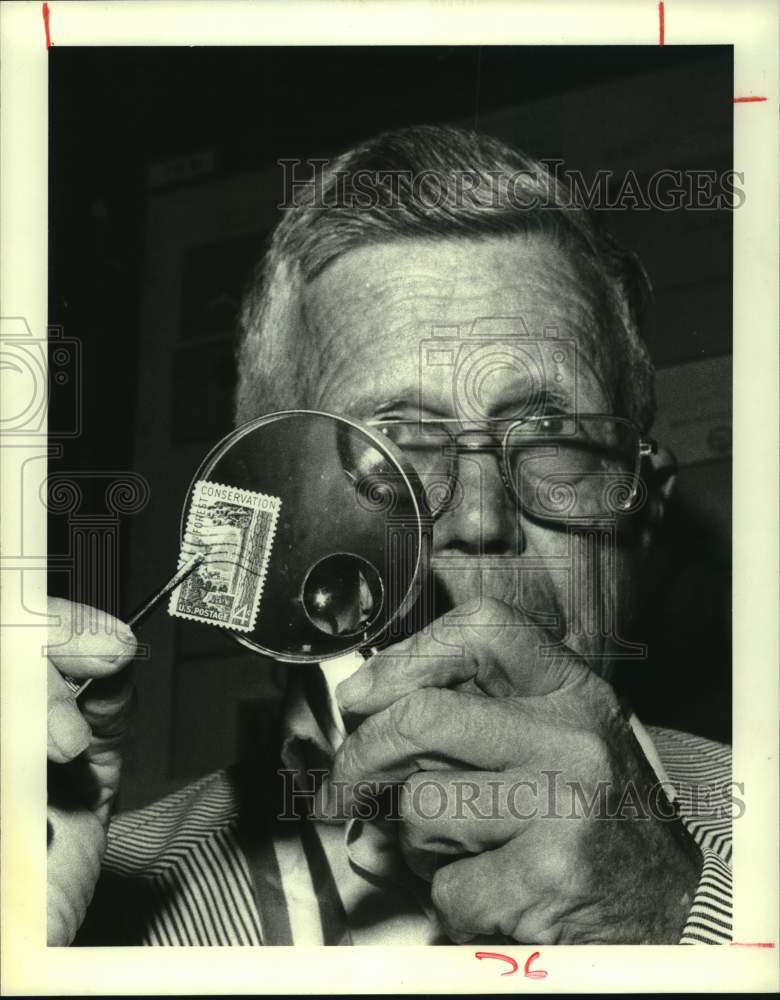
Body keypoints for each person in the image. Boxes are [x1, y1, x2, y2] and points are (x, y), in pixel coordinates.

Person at [47, 125, 732, 947]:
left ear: (643, 508)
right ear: (269, 505)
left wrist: (673, 928)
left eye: (554, 434)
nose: (479, 520)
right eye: (393, 446)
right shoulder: (86, 906)